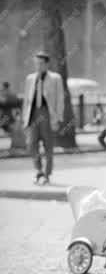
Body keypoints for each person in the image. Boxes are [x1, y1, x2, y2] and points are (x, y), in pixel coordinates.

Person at [21, 51, 64, 185]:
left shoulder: (55, 78)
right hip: (33, 114)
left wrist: (58, 118)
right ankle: (38, 170)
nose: (37, 66)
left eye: (40, 63)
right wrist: (24, 119)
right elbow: (26, 100)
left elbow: (60, 99)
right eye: (36, 63)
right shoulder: (30, 78)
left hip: (48, 114)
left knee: (48, 146)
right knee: (31, 144)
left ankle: (47, 174)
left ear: (46, 64)